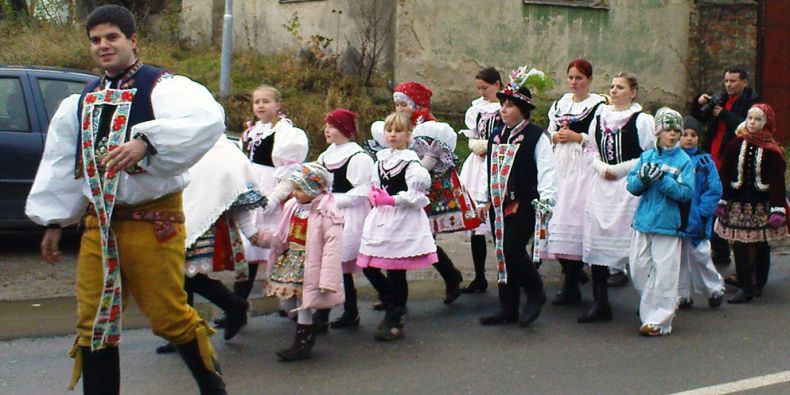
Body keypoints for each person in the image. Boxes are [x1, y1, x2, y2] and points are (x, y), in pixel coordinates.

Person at [24, 5, 228, 394]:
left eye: (112, 37)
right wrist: (53, 221)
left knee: (169, 317)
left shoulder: (163, 87)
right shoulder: (81, 101)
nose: (103, 46)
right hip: (98, 226)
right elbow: (63, 161)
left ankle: (213, 389)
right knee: (94, 321)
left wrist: (147, 141)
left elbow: (206, 120)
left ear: (133, 40)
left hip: (153, 223)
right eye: (96, 40)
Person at [155, 135, 267, 355]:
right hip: (178, 215)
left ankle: (223, 311)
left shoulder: (225, 150)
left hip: (207, 221)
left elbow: (236, 188)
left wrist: (250, 231)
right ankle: (187, 330)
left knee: (186, 276)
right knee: (180, 277)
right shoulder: (182, 143)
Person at [223, 84, 309, 327]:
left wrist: (273, 199)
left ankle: (291, 303)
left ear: (278, 105)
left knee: (279, 253)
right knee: (248, 253)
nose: (260, 106)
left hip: (271, 193)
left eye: (266, 101)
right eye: (257, 101)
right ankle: (237, 307)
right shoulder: (251, 132)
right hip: (251, 191)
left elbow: (289, 175)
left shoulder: (286, 134)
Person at [478, 66, 557, 327]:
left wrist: (546, 200)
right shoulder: (496, 136)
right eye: (502, 104)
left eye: (510, 105)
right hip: (498, 203)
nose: (503, 109)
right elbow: (489, 170)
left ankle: (535, 292)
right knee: (502, 252)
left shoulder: (536, 136)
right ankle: (507, 306)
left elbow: (547, 168)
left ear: (523, 109)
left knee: (513, 249)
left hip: (524, 203)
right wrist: (483, 199)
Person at [376, 81, 468, 305]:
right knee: (396, 241)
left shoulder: (429, 126)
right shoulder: (398, 125)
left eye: (403, 104)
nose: (399, 108)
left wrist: (410, 170)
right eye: (396, 104)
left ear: (415, 104)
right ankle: (392, 294)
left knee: (424, 239)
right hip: (399, 186)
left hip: (423, 187)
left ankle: (450, 277)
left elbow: (433, 157)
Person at [581, 72, 655, 323]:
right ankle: (600, 302)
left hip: (629, 187)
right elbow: (590, 148)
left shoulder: (642, 120)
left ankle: (647, 301)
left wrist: (622, 169)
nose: (613, 91)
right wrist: (601, 167)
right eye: (612, 87)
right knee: (597, 238)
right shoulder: (600, 118)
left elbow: (650, 154)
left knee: (635, 246)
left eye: (620, 87)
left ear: (633, 92)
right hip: (602, 186)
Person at [357, 112, 438, 341]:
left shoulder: (412, 164)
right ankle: (390, 299)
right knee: (368, 265)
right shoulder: (381, 160)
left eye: (398, 131)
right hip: (381, 218)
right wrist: (374, 195)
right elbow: (375, 184)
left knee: (395, 270)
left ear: (408, 135)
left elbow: (418, 196)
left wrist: (392, 199)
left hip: (401, 219)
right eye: (389, 130)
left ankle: (395, 316)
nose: (393, 135)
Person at [257, 162, 345, 361]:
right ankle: (306, 328)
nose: (294, 193)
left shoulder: (328, 213)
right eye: (294, 188)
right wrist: (263, 239)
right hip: (291, 260)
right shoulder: (292, 208)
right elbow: (282, 235)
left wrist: (328, 279)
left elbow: (333, 249)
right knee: (287, 302)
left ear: (313, 188)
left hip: (311, 263)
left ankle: (303, 340)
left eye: (299, 188)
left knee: (304, 303)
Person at [626, 108, 694, 336]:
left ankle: (660, 320)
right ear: (658, 132)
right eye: (667, 130)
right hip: (643, 221)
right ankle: (652, 303)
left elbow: (686, 193)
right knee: (638, 268)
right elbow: (632, 186)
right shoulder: (647, 156)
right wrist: (643, 178)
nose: (672, 135)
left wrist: (663, 180)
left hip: (669, 224)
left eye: (676, 130)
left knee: (665, 271)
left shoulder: (684, 161)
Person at [544, 59, 606, 305]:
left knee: (574, 218)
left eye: (579, 78)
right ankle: (571, 276)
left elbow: (601, 137)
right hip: (561, 164)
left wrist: (577, 136)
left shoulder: (598, 106)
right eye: (571, 77)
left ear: (589, 80)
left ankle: (572, 281)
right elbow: (550, 130)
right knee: (557, 219)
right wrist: (556, 136)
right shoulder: (561, 103)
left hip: (582, 165)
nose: (574, 82)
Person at [714, 104, 787, 303]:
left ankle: (758, 283)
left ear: (766, 123)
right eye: (750, 118)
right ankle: (744, 286)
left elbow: (777, 181)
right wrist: (723, 199)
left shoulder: (772, 150)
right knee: (739, 244)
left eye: (757, 119)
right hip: (738, 203)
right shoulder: (735, 144)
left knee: (761, 244)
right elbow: (726, 173)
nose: (752, 123)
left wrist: (777, 208)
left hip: (761, 204)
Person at [691, 66, 759, 266]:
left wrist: (723, 114)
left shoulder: (753, 102)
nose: (728, 85)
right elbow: (699, 117)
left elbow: (746, 126)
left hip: (734, 160)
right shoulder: (720, 97)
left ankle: (740, 261)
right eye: (727, 81)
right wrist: (699, 102)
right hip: (712, 157)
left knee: (727, 206)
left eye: (733, 81)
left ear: (744, 82)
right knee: (713, 204)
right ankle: (719, 251)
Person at [313, 108, 374, 329]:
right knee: (334, 265)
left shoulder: (358, 157)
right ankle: (349, 311)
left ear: (343, 129)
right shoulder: (326, 155)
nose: (326, 130)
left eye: (331, 126)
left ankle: (325, 315)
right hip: (327, 214)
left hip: (349, 216)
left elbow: (362, 191)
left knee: (338, 264)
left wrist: (333, 200)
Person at [458, 66, 502, 294]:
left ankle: (508, 273)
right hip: (477, 166)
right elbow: (472, 134)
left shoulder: (505, 106)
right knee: (477, 222)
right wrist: (475, 144)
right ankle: (479, 276)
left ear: (497, 84)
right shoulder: (477, 108)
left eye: (485, 88)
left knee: (497, 222)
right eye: (479, 88)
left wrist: (490, 146)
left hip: (497, 164)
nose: (482, 92)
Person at [677, 116, 725, 309]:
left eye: (693, 135)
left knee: (701, 254)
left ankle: (715, 288)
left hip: (698, 218)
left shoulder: (705, 162)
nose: (689, 139)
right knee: (679, 259)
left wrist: (703, 212)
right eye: (685, 134)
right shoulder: (675, 159)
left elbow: (714, 189)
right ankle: (683, 294)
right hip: (678, 218)